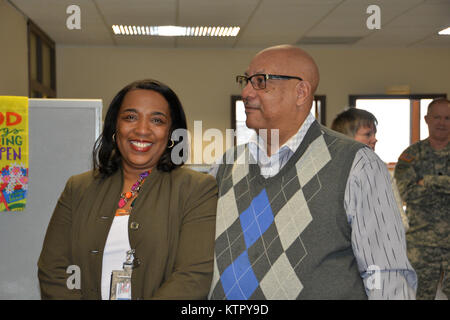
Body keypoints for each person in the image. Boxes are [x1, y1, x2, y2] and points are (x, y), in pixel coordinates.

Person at [208, 45, 416, 300]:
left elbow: (386, 274)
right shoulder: (225, 165)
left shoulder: (357, 165)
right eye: (246, 81)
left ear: (301, 92)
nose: (246, 92)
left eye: (260, 81)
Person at [38, 79, 218, 300]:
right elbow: (53, 270)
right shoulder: (78, 188)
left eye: (157, 120)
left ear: (172, 134)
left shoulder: (197, 190)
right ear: (115, 126)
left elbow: (192, 277)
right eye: (130, 117)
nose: (142, 129)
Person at [394, 98, 449, 300]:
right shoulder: (411, 155)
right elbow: (404, 193)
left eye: (447, 118)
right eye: (437, 117)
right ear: (426, 119)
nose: (442, 122)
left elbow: (416, 191)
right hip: (421, 246)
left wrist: (427, 182)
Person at [331, 107, 410, 231]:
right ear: (346, 138)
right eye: (368, 134)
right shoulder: (328, 172)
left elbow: (401, 222)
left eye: (374, 133)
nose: (374, 139)